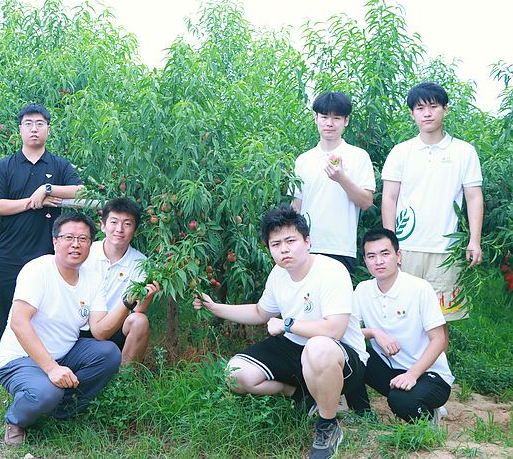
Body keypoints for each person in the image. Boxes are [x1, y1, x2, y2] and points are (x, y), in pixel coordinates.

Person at [193, 205, 368, 459]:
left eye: (290, 241)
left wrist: (287, 324)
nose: (284, 249)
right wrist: (214, 307)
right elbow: (259, 312)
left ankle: (327, 425)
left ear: (307, 242)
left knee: (317, 346)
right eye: (276, 244)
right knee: (236, 374)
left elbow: (334, 330)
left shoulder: (331, 271)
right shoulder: (278, 274)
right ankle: (302, 396)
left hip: (340, 358)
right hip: (297, 349)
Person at [0, 212, 123, 445]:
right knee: (47, 391)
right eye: (68, 238)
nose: (76, 244)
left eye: (83, 239)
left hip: (63, 354)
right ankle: (16, 420)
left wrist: (128, 303)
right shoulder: (38, 270)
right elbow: (18, 323)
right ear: (55, 242)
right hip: (20, 358)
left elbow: (100, 331)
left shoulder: (93, 278)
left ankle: (62, 409)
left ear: (90, 244)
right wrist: (52, 368)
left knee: (109, 353)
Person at [382, 82, 483, 326]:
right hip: (406, 247)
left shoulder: (464, 151)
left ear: (445, 109)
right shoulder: (401, 152)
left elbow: (474, 197)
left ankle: (437, 354)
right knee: (402, 314)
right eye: (420, 108)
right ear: (412, 113)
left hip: (446, 249)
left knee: (440, 318)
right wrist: (389, 243)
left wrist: (474, 240)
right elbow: (389, 198)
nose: (427, 113)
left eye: (433, 106)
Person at [0, 103, 84, 338]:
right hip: (10, 253)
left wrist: (47, 188)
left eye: (40, 124)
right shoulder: (5, 166)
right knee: (9, 315)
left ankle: (46, 355)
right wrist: (33, 202)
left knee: (47, 315)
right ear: (20, 129)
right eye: (28, 124)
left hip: (48, 253)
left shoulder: (59, 165)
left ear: (48, 130)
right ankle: (6, 356)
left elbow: (81, 192)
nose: (34, 129)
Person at [354, 228, 452, 424]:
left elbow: (439, 339)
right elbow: (346, 331)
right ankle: (362, 413)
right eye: (371, 256)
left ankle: (430, 415)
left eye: (385, 254)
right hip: (389, 371)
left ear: (398, 256)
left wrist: (412, 374)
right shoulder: (363, 290)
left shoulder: (419, 288)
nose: (378, 261)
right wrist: (374, 332)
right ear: (365, 260)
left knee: (400, 401)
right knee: (348, 351)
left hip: (428, 373)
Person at [291, 91, 375, 274]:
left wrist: (341, 178)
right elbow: (296, 206)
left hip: (341, 248)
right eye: (324, 117)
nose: (329, 123)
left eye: (336, 118)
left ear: (346, 120)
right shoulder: (303, 160)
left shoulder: (359, 156)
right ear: (316, 118)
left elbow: (367, 202)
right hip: (306, 247)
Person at [80, 198, 161, 364]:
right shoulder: (86, 252)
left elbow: (138, 309)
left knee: (139, 321)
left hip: (115, 327)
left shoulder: (141, 263)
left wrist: (149, 295)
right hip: (79, 326)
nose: (119, 229)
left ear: (135, 230)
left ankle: (125, 375)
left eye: (127, 224)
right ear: (103, 226)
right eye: (114, 222)